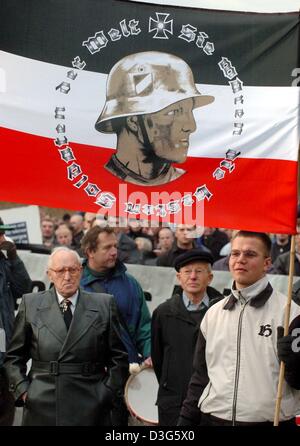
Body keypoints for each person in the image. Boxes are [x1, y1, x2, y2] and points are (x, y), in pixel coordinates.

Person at [178, 231, 300, 426]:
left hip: (270, 421)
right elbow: (200, 376)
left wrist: (295, 366)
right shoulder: (213, 313)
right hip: (213, 419)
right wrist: (185, 422)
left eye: (250, 254)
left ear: (267, 263)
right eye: (235, 254)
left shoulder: (290, 313)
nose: (240, 260)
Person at [4, 247, 128, 426]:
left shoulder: (104, 304)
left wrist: (106, 392)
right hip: (43, 402)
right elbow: (14, 358)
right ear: (49, 274)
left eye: (73, 270)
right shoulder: (31, 304)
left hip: (91, 401)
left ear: (81, 271)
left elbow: (119, 358)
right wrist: (24, 391)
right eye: (61, 271)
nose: (67, 276)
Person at [95, 51, 214, 186]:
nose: (191, 126)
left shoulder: (189, 183)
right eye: (172, 112)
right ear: (133, 121)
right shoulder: (98, 181)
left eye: (190, 111)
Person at [80, 226, 152, 424]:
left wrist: (150, 352)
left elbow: (143, 327)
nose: (114, 252)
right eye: (107, 247)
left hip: (123, 376)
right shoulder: (73, 284)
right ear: (90, 252)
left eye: (115, 246)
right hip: (83, 381)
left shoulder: (130, 284)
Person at [151, 249, 222, 426]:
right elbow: (158, 358)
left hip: (213, 401)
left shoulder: (222, 310)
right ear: (178, 277)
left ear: (210, 277)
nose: (193, 277)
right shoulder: (163, 312)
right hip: (174, 400)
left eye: (199, 271)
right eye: (187, 272)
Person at [0, 218, 31, 426]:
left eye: (3, 233)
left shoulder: (4, 260)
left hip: (4, 349)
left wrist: (13, 256)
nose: (3, 238)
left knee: (5, 407)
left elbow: (24, 289)